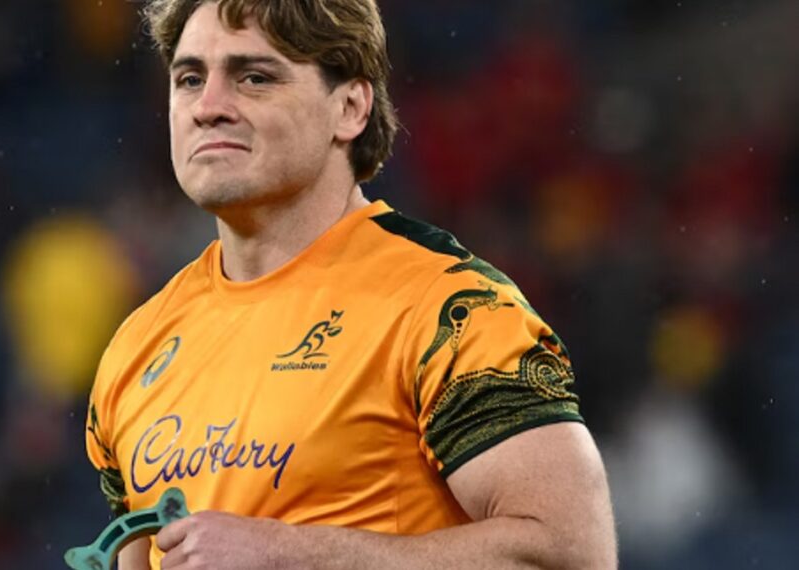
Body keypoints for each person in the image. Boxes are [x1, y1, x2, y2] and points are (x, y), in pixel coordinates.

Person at [83, 1, 617, 568]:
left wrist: (287, 555)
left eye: (254, 77)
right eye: (189, 79)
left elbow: (572, 555)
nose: (208, 107)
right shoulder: (135, 348)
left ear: (350, 107)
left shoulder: (451, 311)